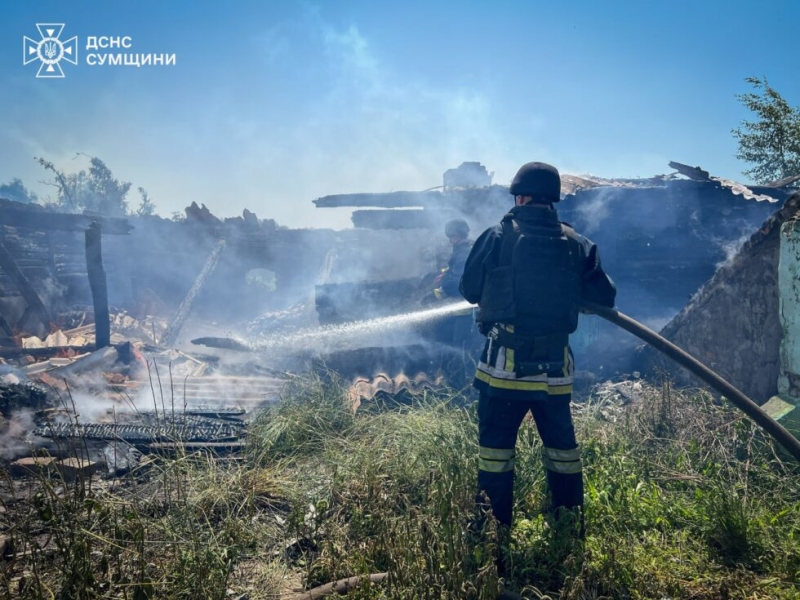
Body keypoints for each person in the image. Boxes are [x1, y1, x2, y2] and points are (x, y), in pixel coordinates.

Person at [459, 161, 616, 532]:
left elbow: (468, 291)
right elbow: (605, 298)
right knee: (563, 452)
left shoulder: (497, 235)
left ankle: (492, 532)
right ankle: (569, 526)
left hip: (503, 371)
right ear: (553, 199)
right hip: (554, 373)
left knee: (496, 455)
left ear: (520, 196)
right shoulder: (577, 243)